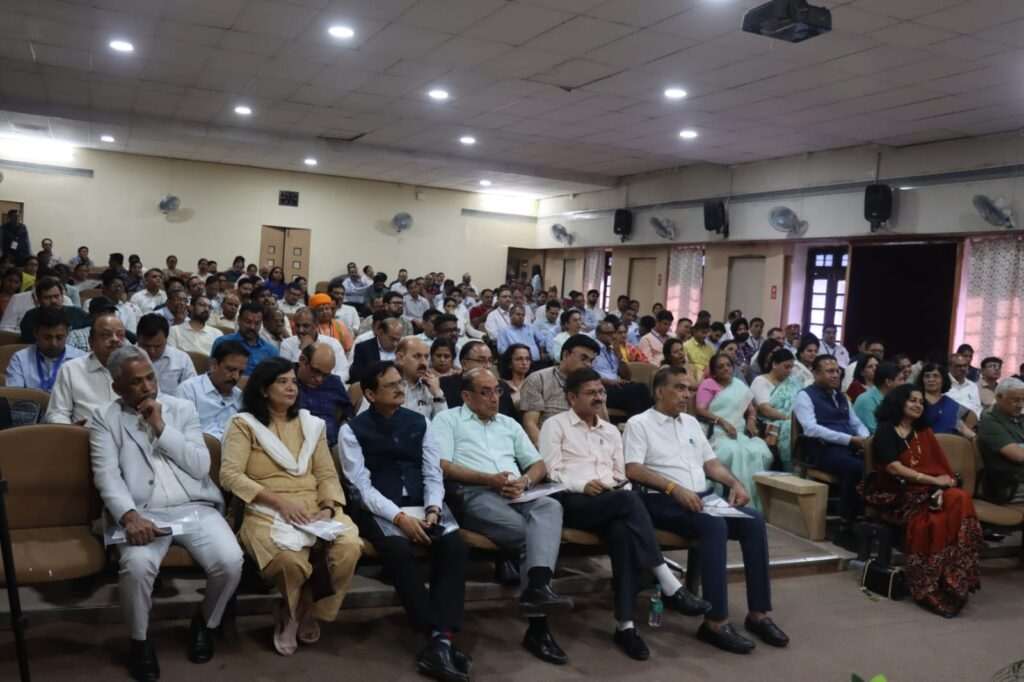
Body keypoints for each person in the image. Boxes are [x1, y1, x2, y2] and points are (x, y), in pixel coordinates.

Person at [88, 345, 243, 680]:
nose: (147, 387)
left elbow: (200, 466)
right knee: (137, 566)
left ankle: (206, 622)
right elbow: (107, 475)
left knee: (231, 561)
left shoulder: (181, 408)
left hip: (195, 506)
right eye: (136, 382)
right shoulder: (105, 418)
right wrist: (129, 516)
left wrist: (160, 426)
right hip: (143, 512)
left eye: (150, 378)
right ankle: (140, 641)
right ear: (117, 387)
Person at [540, 368, 710, 660]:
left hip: (612, 500)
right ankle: (667, 580)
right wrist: (583, 484)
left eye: (601, 392)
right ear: (571, 398)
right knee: (629, 501)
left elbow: (621, 474)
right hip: (573, 501)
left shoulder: (610, 430)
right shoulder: (554, 426)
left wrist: (614, 488)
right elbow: (551, 471)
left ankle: (626, 625)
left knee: (622, 530)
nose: (599, 398)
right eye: (591, 393)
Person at [624, 365, 788, 654]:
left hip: (702, 498)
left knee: (753, 520)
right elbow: (633, 468)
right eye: (679, 388)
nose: (686, 394)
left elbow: (710, 464)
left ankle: (758, 614)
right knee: (713, 525)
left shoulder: (690, 423)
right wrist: (674, 489)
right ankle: (715, 622)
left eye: (689, 389)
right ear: (659, 391)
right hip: (662, 500)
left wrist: (735, 483)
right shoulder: (639, 423)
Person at [220, 357, 362, 657]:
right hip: (265, 506)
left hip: (314, 505)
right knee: (289, 561)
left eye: (294, 382)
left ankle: (302, 611)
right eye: (282, 382)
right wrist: (280, 502)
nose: (291, 388)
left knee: (349, 547)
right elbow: (230, 475)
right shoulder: (244, 424)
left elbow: (326, 474)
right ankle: (294, 610)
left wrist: (328, 508)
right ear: (263, 389)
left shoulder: (311, 425)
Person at [433, 367, 574, 666]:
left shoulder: (508, 423)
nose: (494, 398)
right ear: (466, 396)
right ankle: (538, 625)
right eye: (485, 392)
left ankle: (537, 587)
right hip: (474, 493)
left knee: (550, 507)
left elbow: (538, 464)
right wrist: (489, 479)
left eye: (497, 391)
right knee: (530, 536)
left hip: (516, 492)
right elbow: (444, 466)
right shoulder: (448, 420)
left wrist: (525, 481)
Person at [340, 362, 472, 680]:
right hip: (380, 507)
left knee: (455, 546)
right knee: (398, 551)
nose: (400, 389)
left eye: (400, 383)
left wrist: (433, 508)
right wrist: (399, 517)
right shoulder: (352, 430)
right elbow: (361, 487)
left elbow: (432, 471)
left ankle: (439, 642)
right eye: (391, 385)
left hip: (422, 502)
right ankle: (438, 636)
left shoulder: (419, 421)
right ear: (370, 394)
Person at [869, 385, 982, 617]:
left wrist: (939, 488)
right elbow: (894, 468)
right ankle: (927, 585)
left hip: (928, 490)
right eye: (912, 400)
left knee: (958, 497)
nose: (918, 405)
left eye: (921, 402)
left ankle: (955, 576)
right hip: (896, 494)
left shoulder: (924, 432)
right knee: (934, 522)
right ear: (899, 402)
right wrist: (933, 482)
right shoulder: (886, 430)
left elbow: (942, 469)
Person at [793, 356, 869, 535]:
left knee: (877, 463)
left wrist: (866, 439)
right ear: (815, 373)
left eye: (837, 371)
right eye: (829, 371)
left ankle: (869, 518)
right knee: (855, 467)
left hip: (848, 447)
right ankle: (846, 523)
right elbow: (811, 429)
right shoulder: (805, 396)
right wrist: (849, 439)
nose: (835, 375)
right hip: (820, 449)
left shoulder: (841, 396)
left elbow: (856, 423)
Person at [695, 353, 773, 509]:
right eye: (720, 367)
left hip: (739, 433)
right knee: (734, 452)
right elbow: (700, 410)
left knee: (761, 451)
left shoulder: (739, 385)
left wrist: (751, 421)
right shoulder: (708, 384)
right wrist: (722, 421)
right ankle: (735, 498)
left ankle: (755, 501)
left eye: (728, 365)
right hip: (717, 433)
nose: (726, 369)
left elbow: (751, 409)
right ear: (714, 372)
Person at [45, 311, 126, 425]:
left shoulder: (136, 368)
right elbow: (57, 413)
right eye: (106, 335)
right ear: (91, 342)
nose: (115, 339)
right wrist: (70, 430)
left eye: (120, 335)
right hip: (86, 434)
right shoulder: (71, 369)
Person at [521, 334, 601, 446]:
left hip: (587, 446)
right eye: (583, 358)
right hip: (552, 444)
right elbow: (530, 424)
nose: (588, 365)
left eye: (591, 361)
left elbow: (602, 425)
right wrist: (546, 451)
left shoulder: (594, 386)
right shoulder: (538, 379)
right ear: (565, 355)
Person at [359, 337, 447, 420]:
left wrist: (437, 394)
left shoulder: (431, 387)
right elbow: (364, 420)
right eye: (417, 356)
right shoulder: (383, 383)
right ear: (400, 358)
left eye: (426, 357)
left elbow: (443, 424)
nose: (424, 362)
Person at [175, 340, 248, 439]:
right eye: (231, 369)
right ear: (214, 365)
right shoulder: (189, 390)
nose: (236, 377)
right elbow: (180, 432)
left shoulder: (240, 397)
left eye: (241, 372)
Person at [4, 307, 86, 390]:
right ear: (35, 333)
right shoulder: (20, 359)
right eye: (47, 338)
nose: (53, 344)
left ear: (67, 333)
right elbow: (14, 395)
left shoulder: (81, 359)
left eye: (59, 337)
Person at [295, 343, 352, 449]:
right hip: (297, 443)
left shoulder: (334, 382)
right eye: (316, 371)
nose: (319, 379)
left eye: (325, 375)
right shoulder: (286, 381)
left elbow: (347, 413)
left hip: (331, 444)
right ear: (302, 360)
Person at [976, 377, 1024, 504]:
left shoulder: (1019, 417)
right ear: (999, 398)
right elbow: (1019, 456)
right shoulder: (989, 420)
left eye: (1023, 400)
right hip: (1008, 485)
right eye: (1016, 400)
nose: (1020, 405)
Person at [750, 348, 798, 470]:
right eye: (786, 367)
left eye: (791, 367)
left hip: (793, 418)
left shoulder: (793, 382)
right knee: (790, 427)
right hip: (769, 422)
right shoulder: (760, 381)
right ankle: (790, 467)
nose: (789, 371)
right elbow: (765, 409)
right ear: (775, 364)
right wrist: (788, 418)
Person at [592, 319, 652, 416]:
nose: (612, 336)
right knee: (634, 392)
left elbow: (627, 376)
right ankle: (636, 422)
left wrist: (619, 356)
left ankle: (644, 422)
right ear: (598, 334)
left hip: (617, 385)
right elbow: (589, 374)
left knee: (643, 388)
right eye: (608, 333)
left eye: (613, 333)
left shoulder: (613, 350)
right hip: (603, 387)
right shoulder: (593, 349)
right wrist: (611, 382)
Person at [279, 307, 349, 383]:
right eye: (297, 326)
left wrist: (325, 382)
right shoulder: (287, 344)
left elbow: (344, 372)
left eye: (305, 326)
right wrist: (304, 350)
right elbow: (286, 373)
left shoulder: (332, 343)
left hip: (330, 386)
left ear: (316, 325)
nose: (300, 330)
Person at [135, 313, 197, 395]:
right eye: (146, 346)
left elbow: (192, 391)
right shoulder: (124, 358)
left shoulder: (181, 359)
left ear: (166, 339)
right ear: (138, 339)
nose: (152, 351)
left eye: (157, 346)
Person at [211, 303, 279, 376]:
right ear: (239, 320)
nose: (252, 327)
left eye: (257, 323)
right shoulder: (222, 342)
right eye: (248, 322)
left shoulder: (271, 351)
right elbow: (212, 373)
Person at [17, 276, 90, 343]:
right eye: (47, 297)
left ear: (62, 297)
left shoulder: (77, 313)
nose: (53, 301)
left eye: (56, 296)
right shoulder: (30, 317)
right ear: (39, 300)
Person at [917, 363, 976, 438]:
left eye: (936, 376)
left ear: (943, 380)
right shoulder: (916, 401)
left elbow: (961, 427)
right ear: (922, 380)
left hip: (949, 444)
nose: (931, 379)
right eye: (927, 376)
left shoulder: (952, 404)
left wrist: (975, 438)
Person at [350, 316, 403, 385]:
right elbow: (356, 375)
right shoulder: (363, 348)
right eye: (392, 339)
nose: (395, 344)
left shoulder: (403, 348)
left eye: (398, 339)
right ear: (381, 333)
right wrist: (391, 363)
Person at [853, 361, 900, 434]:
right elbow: (875, 431)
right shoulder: (866, 400)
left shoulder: (894, 397)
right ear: (888, 382)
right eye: (900, 379)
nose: (904, 383)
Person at [947, 353, 983, 421]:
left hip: (970, 423)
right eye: (958, 366)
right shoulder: (942, 383)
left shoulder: (972, 386)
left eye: (965, 365)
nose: (963, 369)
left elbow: (977, 408)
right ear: (950, 367)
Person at [500, 343, 533, 411]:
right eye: (519, 359)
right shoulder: (501, 385)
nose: (524, 363)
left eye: (527, 359)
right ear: (509, 363)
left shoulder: (535, 384)